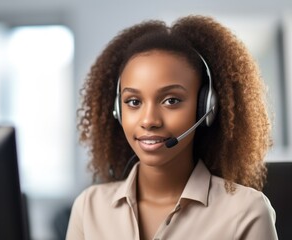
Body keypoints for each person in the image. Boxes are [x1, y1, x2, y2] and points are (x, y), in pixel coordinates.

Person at [66, 15, 278, 240]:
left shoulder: (246, 212)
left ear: (206, 107)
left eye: (171, 101)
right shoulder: (89, 209)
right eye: (134, 102)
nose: (149, 120)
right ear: (118, 110)